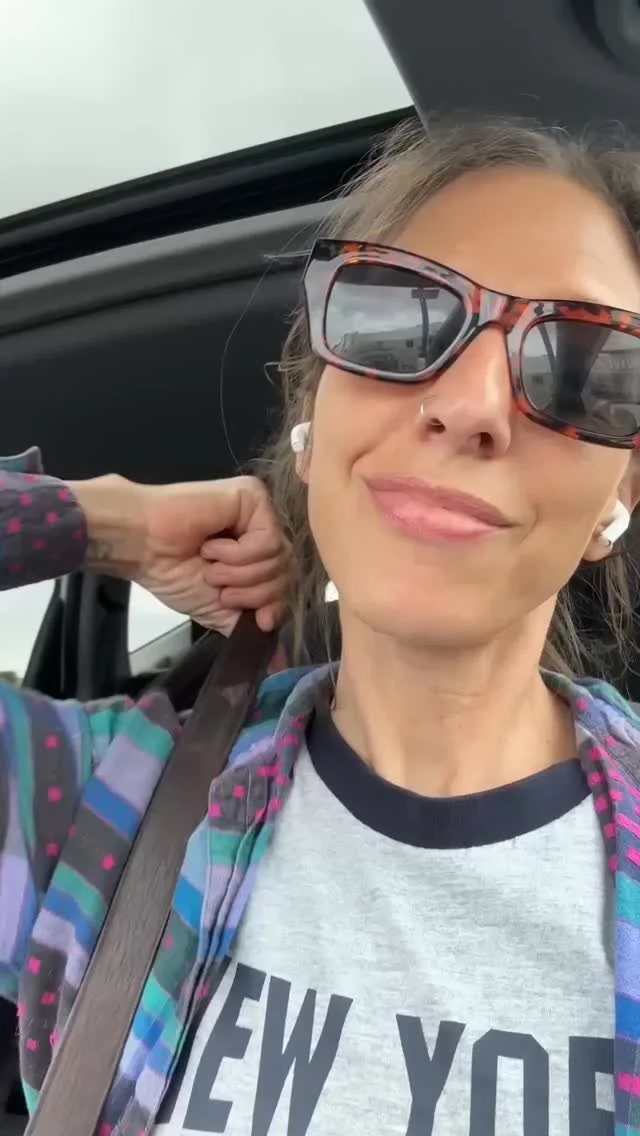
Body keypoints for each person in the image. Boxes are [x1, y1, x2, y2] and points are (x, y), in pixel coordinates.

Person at [4, 115, 640, 1136]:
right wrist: (102, 520)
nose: (473, 404)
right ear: (315, 417)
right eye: (398, 319)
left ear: (623, 490)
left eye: (583, 365)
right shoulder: (90, 808)